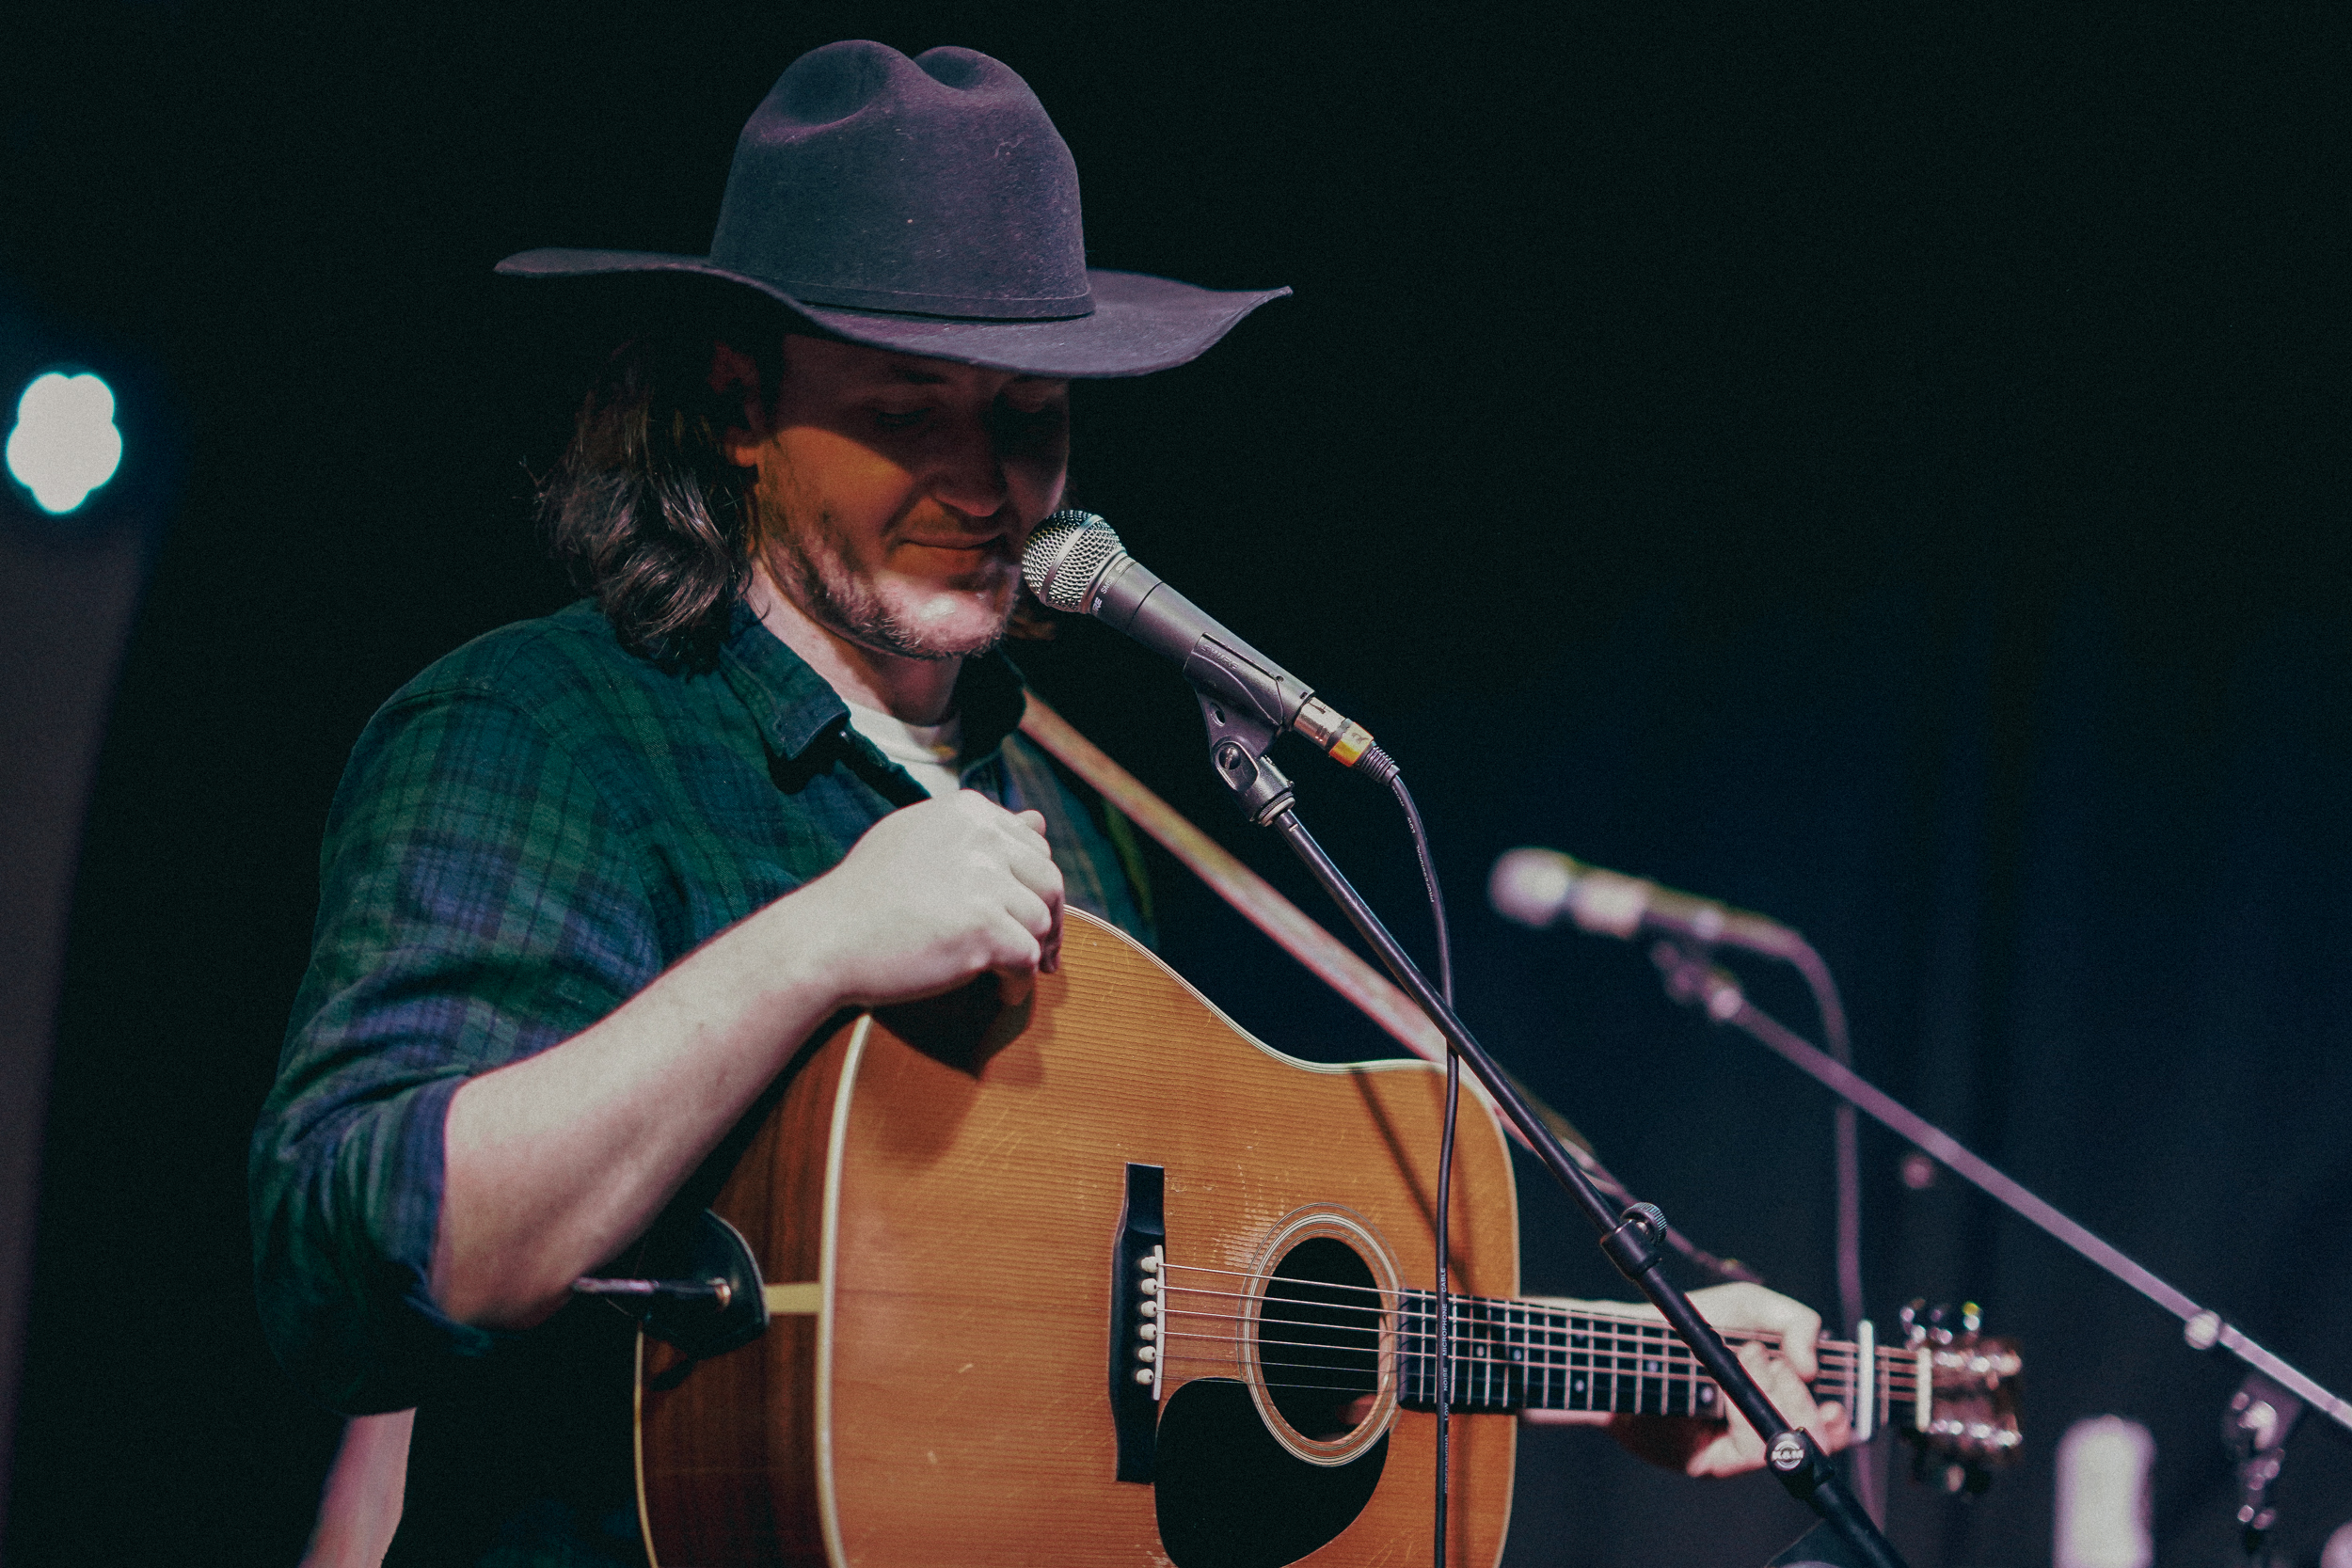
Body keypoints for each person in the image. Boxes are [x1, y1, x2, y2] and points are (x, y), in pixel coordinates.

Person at [251, 40, 1848, 1566]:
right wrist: (815, 944)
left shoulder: (1061, 813)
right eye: (905, 408)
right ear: (738, 404)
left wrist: (1605, 1367)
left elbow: (1131, 1322)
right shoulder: (542, 732)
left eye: (1029, 418)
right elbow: (353, 1261)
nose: (984, 479)